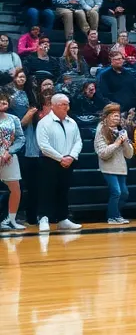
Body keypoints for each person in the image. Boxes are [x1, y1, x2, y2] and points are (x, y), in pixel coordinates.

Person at [35, 94, 83, 232]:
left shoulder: (72, 122)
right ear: (54, 105)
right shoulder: (44, 123)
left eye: (67, 104)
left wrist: (71, 157)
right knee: (46, 190)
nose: (66, 107)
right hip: (49, 161)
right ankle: (44, 218)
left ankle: (63, 218)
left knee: (64, 190)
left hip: (68, 162)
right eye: (63, 104)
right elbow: (43, 146)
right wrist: (61, 158)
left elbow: (78, 141)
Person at [95, 103, 134, 225]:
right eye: (113, 116)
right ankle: (112, 217)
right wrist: (116, 144)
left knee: (124, 193)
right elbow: (102, 153)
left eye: (118, 116)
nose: (117, 118)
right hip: (108, 167)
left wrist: (126, 142)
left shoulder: (121, 131)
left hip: (121, 167)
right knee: (116, 192)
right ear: (106, 117)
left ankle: (117, 214)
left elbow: (129, 155)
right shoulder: (101, 130)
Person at [0, 95, 26, 231]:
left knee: (15, 188)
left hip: (9, 157)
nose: (3, 101)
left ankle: (10, 220)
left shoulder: (13, 119)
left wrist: (9, 151)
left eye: (5, 99)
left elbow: (20, 139)